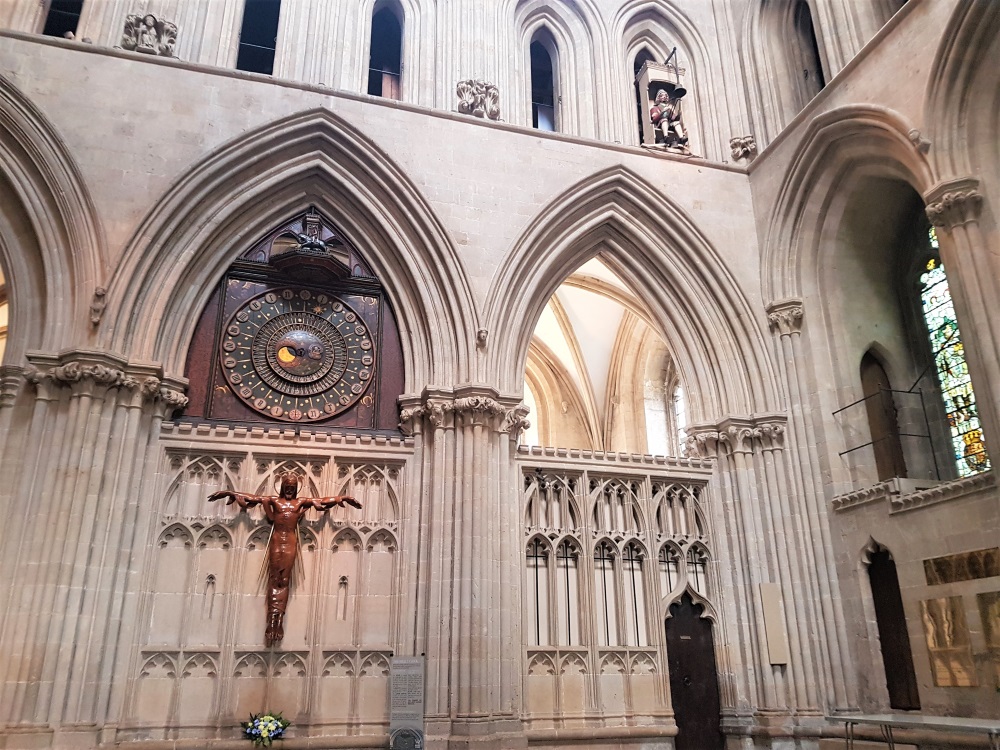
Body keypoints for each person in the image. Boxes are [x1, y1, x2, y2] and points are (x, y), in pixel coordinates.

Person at [209, 472, 361, 645]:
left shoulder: (300, 502)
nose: (289, 489)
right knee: (274, 578)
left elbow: (323, 501)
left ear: (296, 488)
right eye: (287, 486)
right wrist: (230, 494)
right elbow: (252, 498)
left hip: (290, 542)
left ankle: (279, 619)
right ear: (282, 486)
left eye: (292, 486)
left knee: (284, 579)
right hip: (276, 541)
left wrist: (344, 498)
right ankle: (271, 620)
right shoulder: (274, 500)